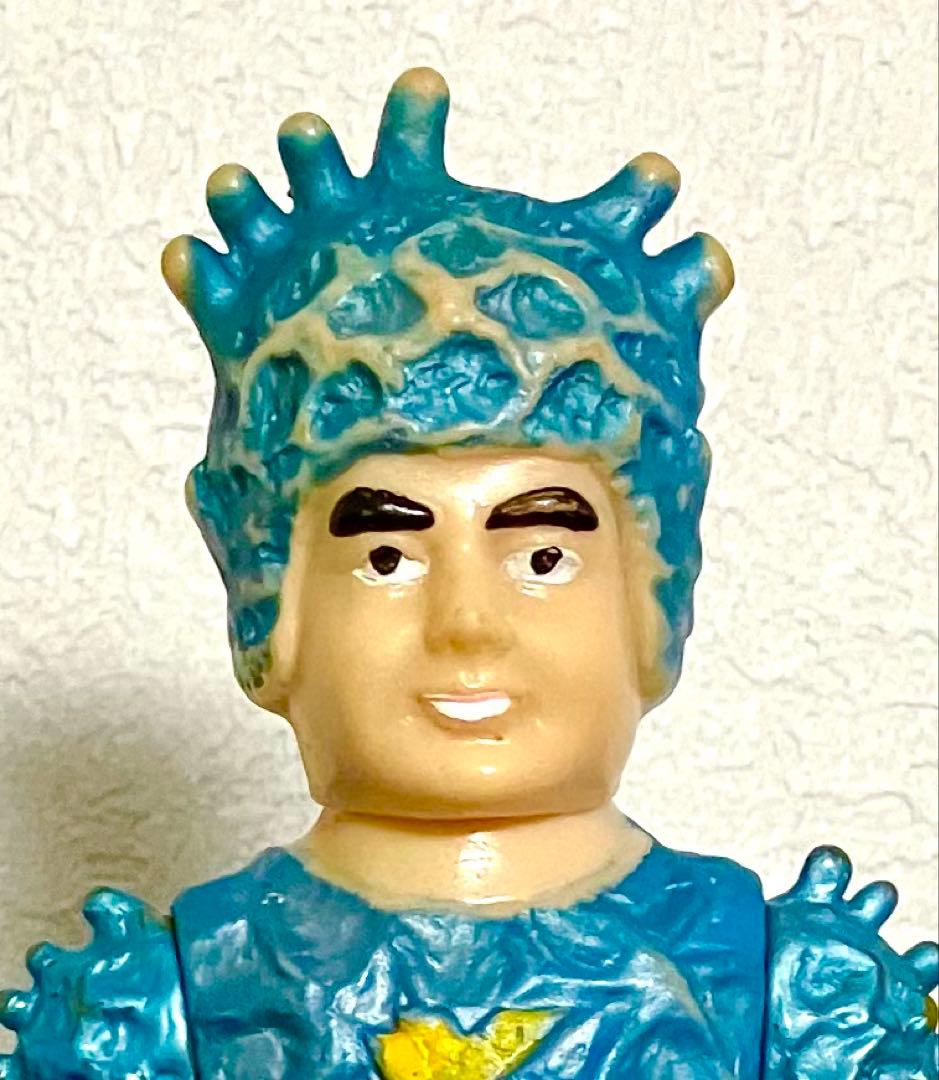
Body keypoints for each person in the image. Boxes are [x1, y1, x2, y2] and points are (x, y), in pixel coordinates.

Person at [1, 68, 936, 1079]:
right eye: (387, 556)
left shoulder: (788, 997)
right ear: (266, 601)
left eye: (541, 555)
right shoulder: (169, 1004)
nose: (467, 621)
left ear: (656, 590)